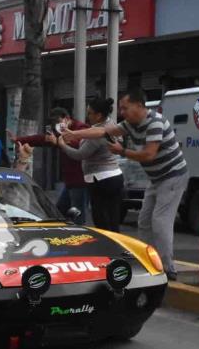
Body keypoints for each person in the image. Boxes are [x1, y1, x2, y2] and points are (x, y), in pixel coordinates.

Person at [63, 89, 189, 280]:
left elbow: (149, 154)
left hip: (172, 176)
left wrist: (122, 151)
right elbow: (101, 131)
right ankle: (148, 260)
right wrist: (75, 134)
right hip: (156, 178)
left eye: (125, 108)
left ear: (139, 106)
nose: (122, 112)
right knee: (144, 221)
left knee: (160, 220)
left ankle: (167, 267)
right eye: (121, 108)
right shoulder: (130, 124)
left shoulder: (155, 122)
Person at [8, 107, 89, 224]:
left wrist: (58, 143)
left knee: (77, 215)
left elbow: (80, 148)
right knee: (58, 212)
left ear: (66, 119)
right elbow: (40, 139)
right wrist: (18, 139)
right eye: (54, 123)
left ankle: (81, 237)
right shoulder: (59, 132)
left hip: (80, 180)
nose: (56, 125)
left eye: (58, 122)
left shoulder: (81, 129)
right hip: (70, 181)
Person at [55, 97, 124, 232]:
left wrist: (62, 145)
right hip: (114, 175)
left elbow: (80, 154)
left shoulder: (97, 135)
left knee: (101, 220)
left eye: (90, 113)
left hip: (101, 179)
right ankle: (116, 248)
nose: (88, 116)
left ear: (99, 115)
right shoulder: (111, 125)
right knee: (113, 218)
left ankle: (107, 248)